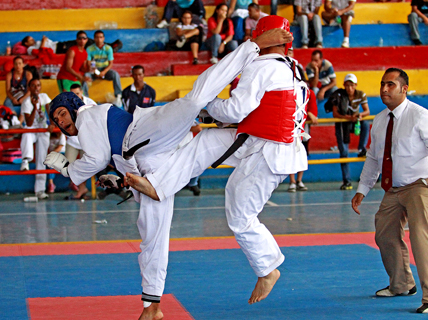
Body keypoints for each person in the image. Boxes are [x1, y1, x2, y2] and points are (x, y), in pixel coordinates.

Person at [44, 28, 293, 320]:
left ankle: (250, 47)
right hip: (151, 169)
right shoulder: (88, 134)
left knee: (192, 101)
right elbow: (107, 158)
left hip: (147, 132)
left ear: (73, 108)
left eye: (61, 113)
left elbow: (96, 157)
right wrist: (114, 176)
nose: (60, 121)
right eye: (55, 120)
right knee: (152, 234)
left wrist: (67, 169)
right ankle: (152, 306)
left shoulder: (87, 116)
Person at [123, 16, 308, 306]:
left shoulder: (263, 67)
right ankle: (158, 185)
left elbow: (236, 109)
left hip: (267, 150)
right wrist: (210, 114)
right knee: (207, 141)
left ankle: (268, 268)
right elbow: (255, 110)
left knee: (240, 214)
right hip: (257, 139)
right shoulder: (292, 68)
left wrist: (207, 103)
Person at [351, 68, 428, 314]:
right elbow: (373, 158)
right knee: (384, 232)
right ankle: (402, 284)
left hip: (421, 185)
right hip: (393, 189)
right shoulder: (380, 119)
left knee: (420, 236)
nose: (384, 89)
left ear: (404, 89)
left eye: (391, 85)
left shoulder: (421, 116)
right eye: (383, 84)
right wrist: (362, 189)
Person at [330, 73, 370, 190]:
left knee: (366, 123)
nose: (349, 88)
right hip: (343, 125)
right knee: (344, 153)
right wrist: (348, 117)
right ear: (344, 85)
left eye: (352, 85)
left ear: (356, 85)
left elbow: (367, 111)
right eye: (347, 85)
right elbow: (335, 114)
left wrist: (360, 115)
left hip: (354, 122)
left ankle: (362, 148)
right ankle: (347, 181)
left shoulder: (360, 94)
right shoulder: (338, 95)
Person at [286, 47, 318, 192]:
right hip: (289, 128)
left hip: (302, 128)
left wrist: (311, 113)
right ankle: (292, 181)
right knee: (290, 153)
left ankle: (299, 180)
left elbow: (313, 108)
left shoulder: (308, 92)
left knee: (302, 152)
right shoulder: (287, 92)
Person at [20, 78, 54, 199]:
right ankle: (25, 160)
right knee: (26, 132)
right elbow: (28, 123)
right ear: (29, 88)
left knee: (42, 160)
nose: (36, 88)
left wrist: (52, 124)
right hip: (32, 129)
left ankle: (40, 191)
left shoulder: (44, 97)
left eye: (38, 85)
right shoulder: (26, 102)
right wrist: (34, 107)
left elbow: (50, 112)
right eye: (33, 86)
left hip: (43, 130)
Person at [66, 83, 96, 200]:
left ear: (82, 92)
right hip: (73, 140)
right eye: (73, 94)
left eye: (77, 93)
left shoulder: (91, 104)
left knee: (85, 166)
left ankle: (81, 189)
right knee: (67, 166)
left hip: (86, 141)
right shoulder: (66, 105)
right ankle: (79, 186)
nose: (76, 96)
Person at [86, 30, 122, 107]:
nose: (99, 39)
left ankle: (118, 96)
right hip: (93, 70)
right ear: (94, 38)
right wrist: (95, 71)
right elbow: (88, 62)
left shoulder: (108, 48)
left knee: (115, 74)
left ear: (104, 38)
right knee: (86, 76)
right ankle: (85, 98)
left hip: (105, 70)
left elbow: (110, 63)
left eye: (101, 37)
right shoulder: (89, 49)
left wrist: (104, 72)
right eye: (97, 37)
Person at [4, 56, 33, 121]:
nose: (18, 66)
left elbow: (30, 90)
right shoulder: (10, 75)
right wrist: (13, 99)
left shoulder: (28, 74)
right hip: (13, 96)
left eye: (20, 63)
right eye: (16, 64)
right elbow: (8, 90)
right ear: (13, 65)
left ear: (23, 64)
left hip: (25, 95)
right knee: (7, 103)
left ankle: (20, 123)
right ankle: (13, 119)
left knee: (27, 103)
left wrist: (23, 98)